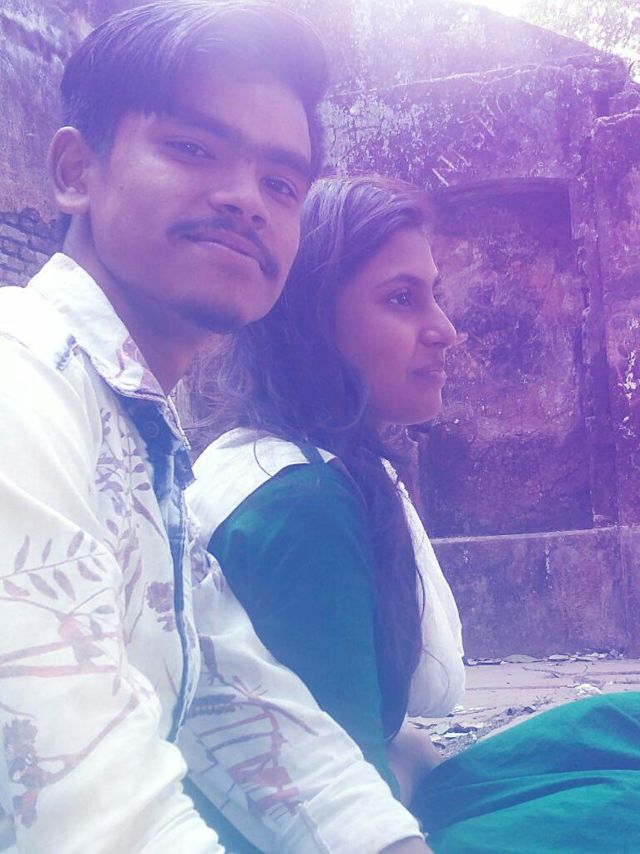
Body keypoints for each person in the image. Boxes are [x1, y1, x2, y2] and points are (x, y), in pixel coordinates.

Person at [0, 7, 430, 853]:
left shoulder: (143, 441)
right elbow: (90, 817)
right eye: (192, 148)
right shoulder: (22, 382)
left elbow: (239, 703)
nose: (245, 200)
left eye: (281, 185)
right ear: (77, 171)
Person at [189, 175, 640, 852]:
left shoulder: (297, 461)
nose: (446, 331)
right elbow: (328, 804)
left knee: (618, 724)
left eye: (434, 294)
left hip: (384, 787)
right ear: (311, 322)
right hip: (328, 834)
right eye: (402, 299)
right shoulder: (303, 504)